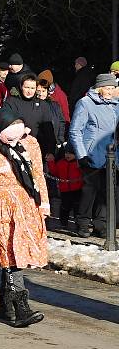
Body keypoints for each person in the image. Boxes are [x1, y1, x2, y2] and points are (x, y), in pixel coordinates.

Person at [0, 109, 47, 327]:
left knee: (17, 251)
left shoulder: (30, 144)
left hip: (25, 203)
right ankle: (21, 306)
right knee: (9, 251)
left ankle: (7, 304)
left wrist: (43, 202)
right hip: (0, 204)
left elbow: (37, 173)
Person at [68, 74, 119, 238]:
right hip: (91, 154)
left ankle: (101, 224)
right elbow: (75, 131)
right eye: (108, 88)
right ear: (99, 88)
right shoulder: (85, 103)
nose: (111, 92)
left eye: (113, 88)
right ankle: (82, 223)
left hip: (111, 155)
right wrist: (81, 154)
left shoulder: (115, 105)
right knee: (89, 191)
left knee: (106, 192)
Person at [2, 74, 63, 157]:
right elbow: (4, 122)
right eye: (27, 87)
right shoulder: (11, 102)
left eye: (32, 88)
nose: (29, 91)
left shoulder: (43, 105)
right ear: (21, 86)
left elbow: (48, 130)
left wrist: (50, 151)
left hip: (38, 150)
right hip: (15, 149)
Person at [47, 145, 83, 231]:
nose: (68, 155)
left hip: (76, 189)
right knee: (64, 207)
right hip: (64, 190)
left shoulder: (78, 163)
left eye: (70, 153)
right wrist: (51, 162)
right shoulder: (61, 163)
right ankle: (63, 223)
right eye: (66, 153)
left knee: (77, 208)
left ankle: (78, 224)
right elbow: (54, 172)